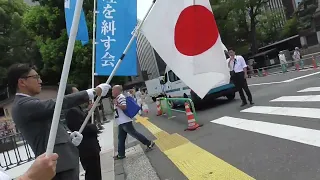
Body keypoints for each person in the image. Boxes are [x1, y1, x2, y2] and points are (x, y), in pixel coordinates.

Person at [7, 63, 110, 180]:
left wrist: (68, 137)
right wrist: (92, 92)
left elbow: (47, 129)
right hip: (59, 167)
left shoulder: (27, 103)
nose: (40, 81)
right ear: (22, 82)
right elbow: (56, 104)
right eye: (35, 77)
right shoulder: (22, 105)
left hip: (63, 163)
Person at [64, 84, 102, 180]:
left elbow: (82, 122)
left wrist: (88, 112)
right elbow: (80, 128)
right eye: (76, 93)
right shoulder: (71, 110)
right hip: (87, 147)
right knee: (93, 173)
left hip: (90, 146)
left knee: (96, 171)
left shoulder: (76, 108)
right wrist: (94, 127)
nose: (79, 94)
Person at [112, 85, 155, 160]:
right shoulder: (117, 98)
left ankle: (149, 143)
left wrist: (117, 104)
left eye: (113, 90)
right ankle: (121, 154)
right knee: (121, 138)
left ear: (117, 91)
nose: (112, 91)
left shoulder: (121, 97)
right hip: (121, 122)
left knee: (134, 134)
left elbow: (124, 107)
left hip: (125, 121)